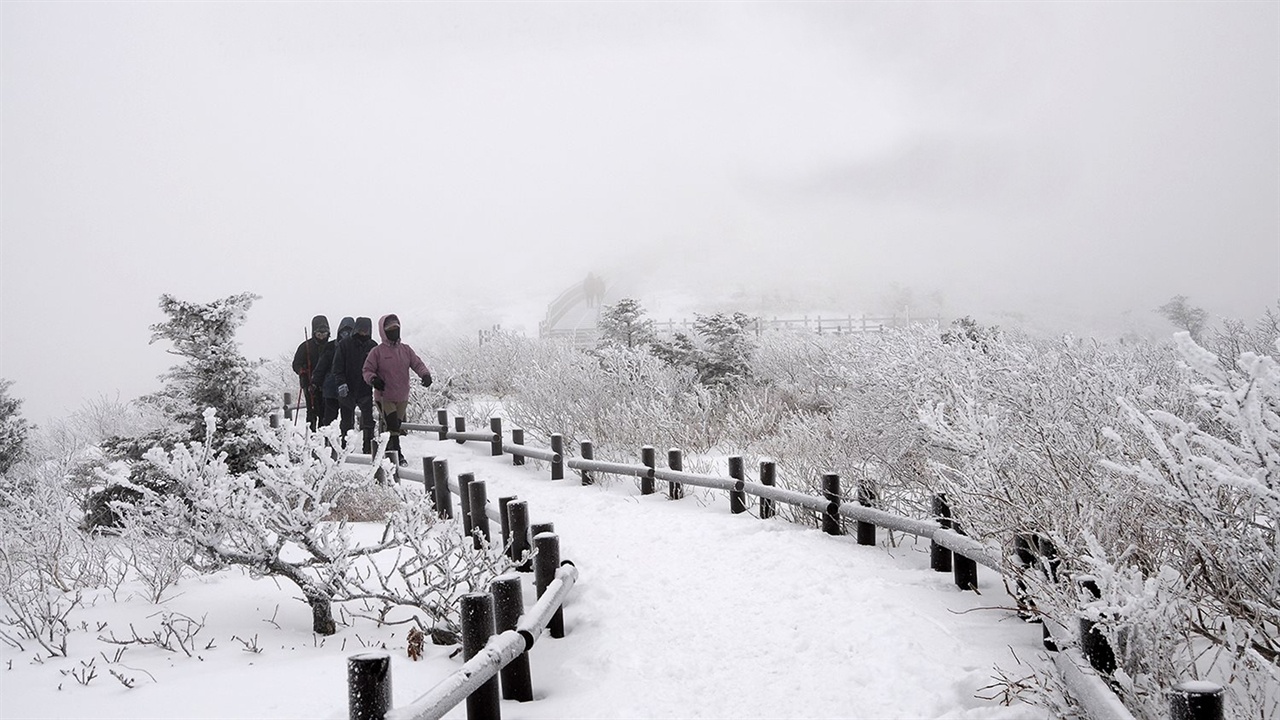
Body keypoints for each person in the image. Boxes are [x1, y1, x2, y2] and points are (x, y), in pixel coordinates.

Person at [362, 314, 432, 464]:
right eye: (390, 329)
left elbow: (417, 364)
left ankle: (384, 451)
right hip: (384, 396)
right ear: (383, 331)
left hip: (402, 396)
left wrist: (425, 375)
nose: (394, 331)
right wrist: (374, 379)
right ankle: (398, 455)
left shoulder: (406, 350)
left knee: (394, 427)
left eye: (396, 328)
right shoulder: (377, 352)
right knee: (392, 425)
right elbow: (367, 370)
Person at [329, 316, 378, 453]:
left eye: (366, 330)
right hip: (347, 388)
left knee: (368, 421)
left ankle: (369, 447)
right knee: (346, 421)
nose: (363, 332)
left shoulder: (372, 346)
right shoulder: (344, 345)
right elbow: (337, 367)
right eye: (361, 329)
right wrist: (341, 384)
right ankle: (346, 447)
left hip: (365, 388)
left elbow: (379, 367)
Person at [312, 316, 353, 430]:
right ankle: (329, 443)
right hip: (332, 388)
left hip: (346, 389)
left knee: (346, 421)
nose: (346, 334)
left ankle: (344, 444)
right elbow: (322, 365)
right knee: (330, 420)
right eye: (344, 331)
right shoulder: (331, 347)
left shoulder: (355, 347)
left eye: (349, 332)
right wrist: (315, 382)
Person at [291, 315, 329, 430]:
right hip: (309, 382)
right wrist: (301, 371)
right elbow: (295, 364)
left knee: (325, 411)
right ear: (314, 333)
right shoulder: (305, 347)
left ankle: (324, 437)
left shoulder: (331, 346)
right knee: (312, 411)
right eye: (319, 334)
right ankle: (311, 436)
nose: (322, 337)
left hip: (326, 383)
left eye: (324, 334)